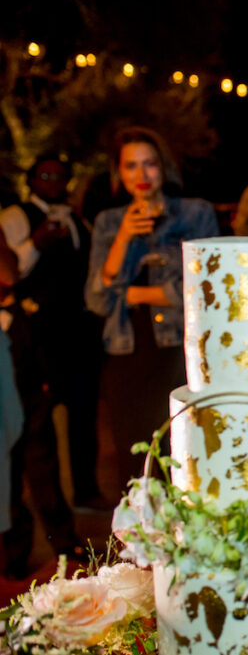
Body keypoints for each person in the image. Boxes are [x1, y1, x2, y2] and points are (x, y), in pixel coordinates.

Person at [85, 127, 218, 486]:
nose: (141, 175)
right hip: (126, 353)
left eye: (150, 164)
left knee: (183, 462)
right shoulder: (109, 223)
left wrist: (133, 295)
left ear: (164, 167)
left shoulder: (195, 214)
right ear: (119, 172)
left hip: (179, 351)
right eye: (131, 166)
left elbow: (205, 286)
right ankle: (145, 541)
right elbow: (96, 299)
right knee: (137, 469)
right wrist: (125, 236)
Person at [0, 154, 105, 510]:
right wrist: (37, 243)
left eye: (59, 176)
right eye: (45, 176)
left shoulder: (76, 217)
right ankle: (46, 515)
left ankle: (86, 491)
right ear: (31, 181)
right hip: (38, 333)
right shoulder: (16, 217)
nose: (53, 183)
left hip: (78, 329)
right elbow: (10, 274)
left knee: (83, 414)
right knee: (39, 426)